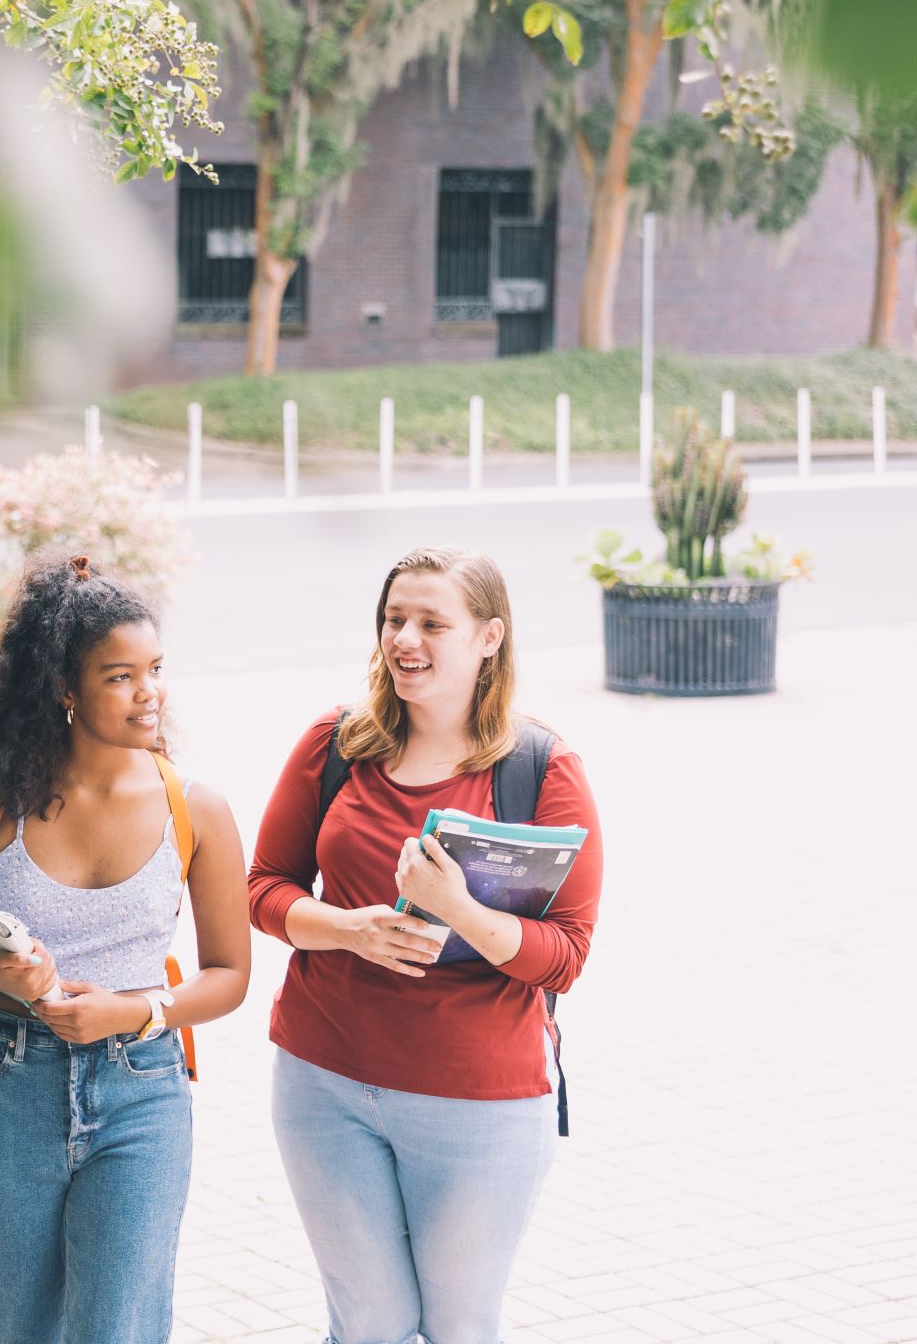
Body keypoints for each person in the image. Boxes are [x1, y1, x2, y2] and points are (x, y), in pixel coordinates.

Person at [248, 546, 603, 1344]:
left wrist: (459, 909)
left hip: (478, 1104)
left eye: (432, 623)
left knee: (459, 1325)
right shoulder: (335, 745)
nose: (404, 639)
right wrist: (349, 930)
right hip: (324, 1084)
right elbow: (263, 887)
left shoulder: (541, 770)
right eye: (393, 619)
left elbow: (567, 954)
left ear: (489, 638)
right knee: (369, 1321)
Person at [0, 552, 250, 1344]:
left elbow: (229, 977)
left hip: (143, 1090)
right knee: (20, 1322)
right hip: (2, 1080)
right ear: (64, 688)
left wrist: (133, 1010)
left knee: (119, 1325)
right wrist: (0, 973)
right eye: (119, 676)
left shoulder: (198, 808)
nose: (149, 691)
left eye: (155, 669)